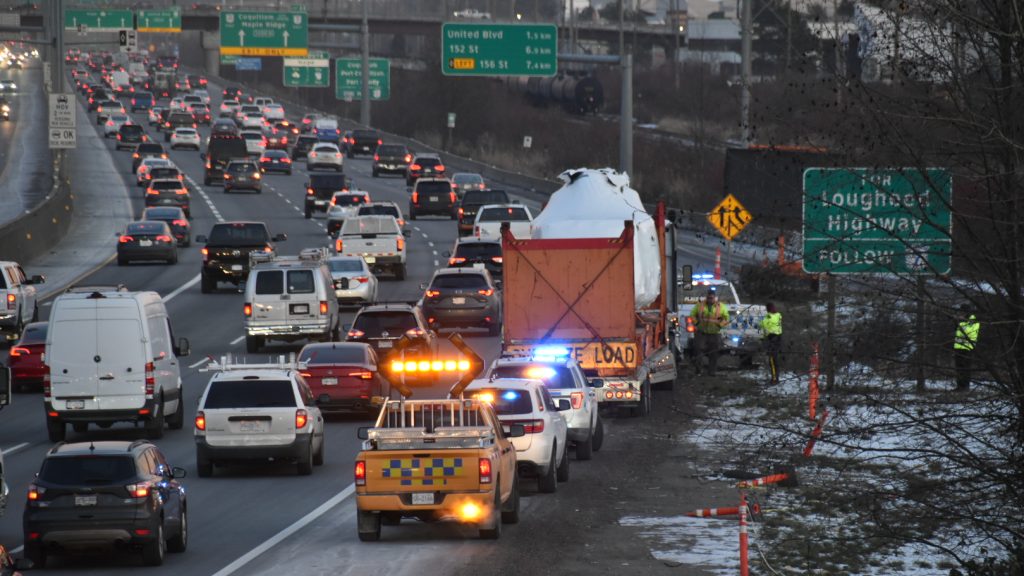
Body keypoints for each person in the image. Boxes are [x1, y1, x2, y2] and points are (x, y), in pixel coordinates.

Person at [690, 288, 729, 376]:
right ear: (706, 297)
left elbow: (726, 318)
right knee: (698, 351)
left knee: (714, 353)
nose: (710, 299)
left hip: (715, 333)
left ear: (715, 297)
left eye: (712, 298)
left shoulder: (721, 306)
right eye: (708, 297)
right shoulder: (700, 305)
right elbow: (692, 315)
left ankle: (712, 372)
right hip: (701, 332)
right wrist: (697, 323)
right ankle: (698, 370)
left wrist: (720, 325)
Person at [954, 305, 980, 390]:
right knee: (959, 368)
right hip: (958, 347)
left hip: (967, 347)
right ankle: (959, 386)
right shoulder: (963, 320)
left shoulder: (973, 320)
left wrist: (960, 322)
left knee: (965, 368)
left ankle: (965, 386)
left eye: (962, 311)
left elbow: (968, 331)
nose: (961, 313)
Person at [760, 302, 782, 385]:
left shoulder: (768, 317)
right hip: (778, 338)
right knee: (775, 359)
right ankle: (776, 377)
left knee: (772, 360)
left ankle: (774, 379)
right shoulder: (779, 315)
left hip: (772, 338)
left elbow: (761, 324)